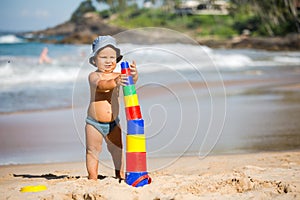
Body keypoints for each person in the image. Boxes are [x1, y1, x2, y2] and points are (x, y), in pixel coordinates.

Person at [85, 35, 138, 180]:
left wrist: (134, 75)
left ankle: (119, 175)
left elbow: (131, 82)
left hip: (113, 123)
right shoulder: (94, 76)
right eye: (103, 57)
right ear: (94, 60)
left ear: (117, 59)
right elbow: (102, 86)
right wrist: (115, 81)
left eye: (112, 57)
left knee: (117, 150)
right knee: (93, 151)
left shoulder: (119, 75)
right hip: (94, 123)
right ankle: (93, 177)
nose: (108, 61)